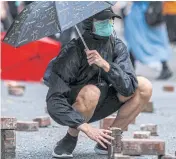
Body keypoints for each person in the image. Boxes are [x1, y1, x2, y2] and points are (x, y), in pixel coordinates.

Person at [45, 8, 152, 158]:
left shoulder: (117, 46)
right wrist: (85, 127)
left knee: (144, 86)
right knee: (91, 91)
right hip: (78, 106)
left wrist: (106, 66)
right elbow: (54, 101)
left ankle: (107, 140)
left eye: (110, 20)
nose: (108, 24)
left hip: (105, 100)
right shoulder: (73, 51)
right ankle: (70, 138)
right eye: (102, 21)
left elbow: (129, 88)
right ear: (89, 24)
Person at [123, 2, 173, 80]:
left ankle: (131, 70)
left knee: (134, 42)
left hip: (141, 15)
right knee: (155, 42)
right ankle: (131, 69)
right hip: (151, 14)